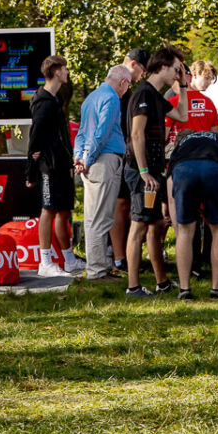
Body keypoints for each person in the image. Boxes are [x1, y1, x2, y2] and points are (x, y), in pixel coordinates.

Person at [124, 46, 187, 296]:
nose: (178, 73)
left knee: (156, 223)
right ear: (162, 67)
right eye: (175, 68)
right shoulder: (143, 93)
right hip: (142, 172)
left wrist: (182, 85)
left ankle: (161, 282)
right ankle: (133, 286)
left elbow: (182, 115)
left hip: (153, 171)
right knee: (139, 224)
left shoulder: (154, 94)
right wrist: (143, 171)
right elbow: (136, 133)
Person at [74, 65, 132, 282]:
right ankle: (97, 272)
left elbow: (81, 133)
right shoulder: (112, 98)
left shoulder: (91, 97)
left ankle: (95, 268)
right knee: (101, 218)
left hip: (91, 160)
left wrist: (79, 158)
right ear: (123, 82)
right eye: (128, 85)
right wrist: (87, 159)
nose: (127, 90)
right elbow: (103, 132)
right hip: (104, 159)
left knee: (91, 217)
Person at [167, 126, 218, 299]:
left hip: (183, 170)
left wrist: (177, 225)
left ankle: (184, 290)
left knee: (185, 231)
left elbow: (171, 195)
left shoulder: (180, 147)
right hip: (213, 167)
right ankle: (217, 289)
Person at [28, 55, 76, 271]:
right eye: (65, 69)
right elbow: (34, 138)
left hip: (61, 164)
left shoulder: (54, 99)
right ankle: (44, 262)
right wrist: (30, 172)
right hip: (49, 165)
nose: (67, 73)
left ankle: (69, 259)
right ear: (56, 71)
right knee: (48, 210)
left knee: (64, 210)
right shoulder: (43, 103)